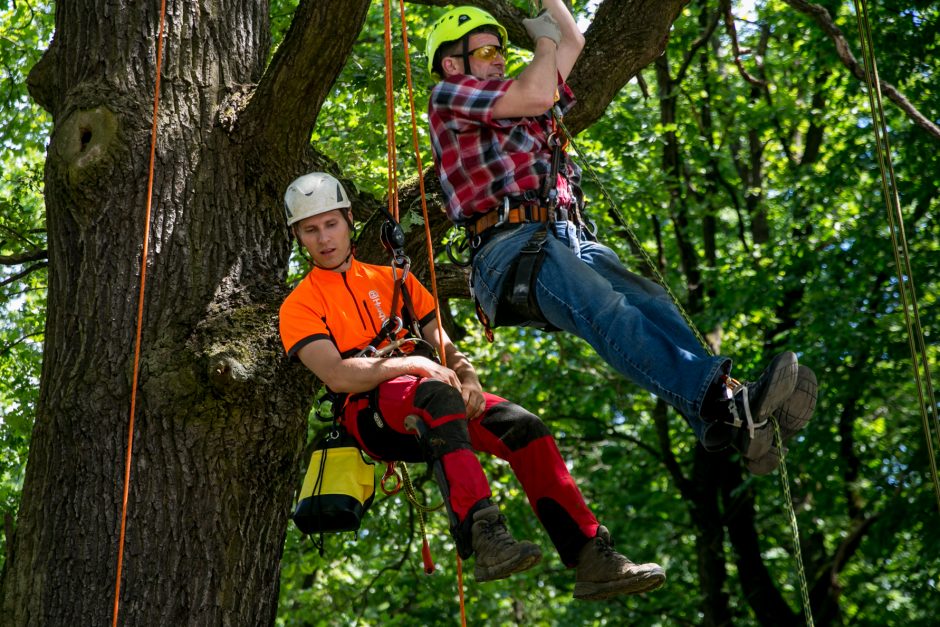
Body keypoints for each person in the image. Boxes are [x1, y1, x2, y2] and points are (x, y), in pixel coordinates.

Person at [424, 3, 817, 471]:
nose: (499, 57)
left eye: (501, 49)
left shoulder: (517, 98)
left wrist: (550, 11)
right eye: (487, 50)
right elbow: (538, 89)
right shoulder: (450, 96)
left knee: (651, 300)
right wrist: (542, 40)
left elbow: (573, 43)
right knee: (605, 307)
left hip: (564, 234)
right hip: (508, 249)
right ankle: (727, 406)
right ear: (453, 64)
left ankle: (734, 414)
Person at [278, 171, 669, 599]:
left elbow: (441, 342)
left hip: (429, 392)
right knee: (436, 395)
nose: (324, 238)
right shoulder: (299, 305)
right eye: (311, 230)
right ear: (299, 236)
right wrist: (409, 364)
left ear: (349, 220)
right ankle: (485, 537)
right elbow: (335, 374)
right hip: (370, 412)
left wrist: (469, 378)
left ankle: (592, 554)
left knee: (521, 425)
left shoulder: (394, 280)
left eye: (331, 224)